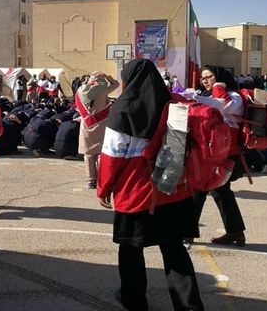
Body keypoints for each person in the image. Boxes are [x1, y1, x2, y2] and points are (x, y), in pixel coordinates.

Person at [98, 59, 204, 311]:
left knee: (131, 250)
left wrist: (104, 189)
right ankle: (189, 306)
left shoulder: (122, 109)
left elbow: (111, 157)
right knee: (175, 250)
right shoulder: (174, 105)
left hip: (137, 193)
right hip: (173, 188)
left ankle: (134, 300)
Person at [189, 65, 246, 246]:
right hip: (207, 152)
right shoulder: (206, 96)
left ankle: (187, 232)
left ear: (220, 78)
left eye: (210, 77)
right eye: (203, 78)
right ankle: (235, 232)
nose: (205, 80)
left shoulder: (234, 96)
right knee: (221, 192)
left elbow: (223, 106)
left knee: (199, 189)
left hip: (224, 154)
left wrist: (198, 96)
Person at [76, 72, 119, 189]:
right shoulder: (103, 88)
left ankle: (90, 180)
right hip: (101, 123)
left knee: (88, 153)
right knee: (100, 152)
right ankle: (101, 177)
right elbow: (116, 84)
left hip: (86, 124)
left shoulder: (80, 90)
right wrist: (107, 76)